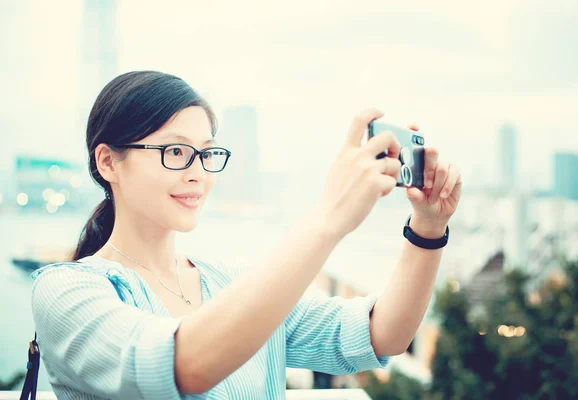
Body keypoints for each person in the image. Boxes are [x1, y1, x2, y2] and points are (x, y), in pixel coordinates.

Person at [31, 70, 462, 399]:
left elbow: (383, 334)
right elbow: (186, 364)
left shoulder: (235, 283)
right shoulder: (66, 292)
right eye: (176, 151)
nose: (199, 173)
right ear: (108, 163)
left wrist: (428, 228)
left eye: (206, 153)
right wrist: (329, 217)